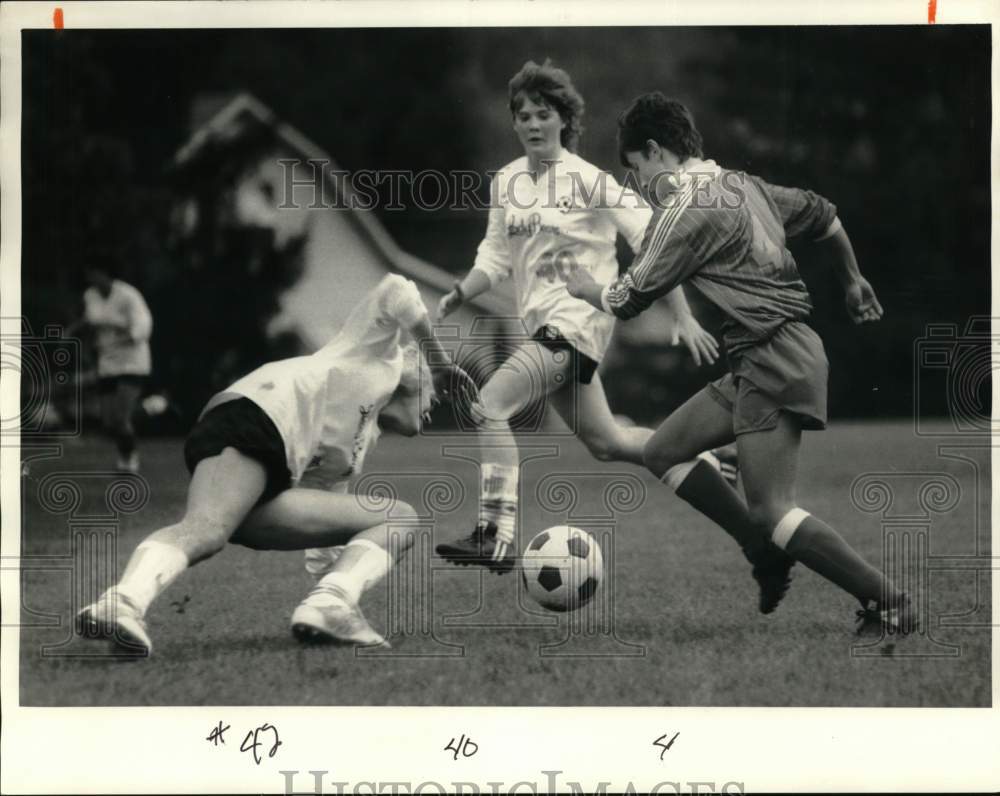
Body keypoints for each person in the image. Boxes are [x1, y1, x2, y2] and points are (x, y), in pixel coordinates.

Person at [435, 60, 793, 614]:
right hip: (544, 330)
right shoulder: (506, 181)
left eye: (544, 113)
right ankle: (724, 473)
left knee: (490, 404)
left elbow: (658, 239)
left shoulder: (589, 180)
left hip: (574, 328)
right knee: (609, 444)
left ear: (565, 119)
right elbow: (496, 257)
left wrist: (681, 313)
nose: (533, 123)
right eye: (523, 115)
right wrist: (462, 290)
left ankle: (496, 532)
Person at [566, 91, 911, 634]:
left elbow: (626, 299)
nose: (637, 187)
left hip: (773, 356)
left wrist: (587, 289)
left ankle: (890, 603)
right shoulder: (743, 185)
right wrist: (852, 279)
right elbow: (824, 215)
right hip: (765, 356)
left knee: (774, 510)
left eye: (635, 172)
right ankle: (761, 550)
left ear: (655, 151)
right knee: (662, 450)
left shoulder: (682, 209)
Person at [77, 274, 478, 655]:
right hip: (257, 417)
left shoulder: (354, 448)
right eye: (433, 396)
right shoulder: (377, 355)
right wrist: (440, 362)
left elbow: (325, 541)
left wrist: (333, 588)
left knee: (397, 517)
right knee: (205, 528)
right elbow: (397, 290)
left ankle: (332, 607)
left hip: (256, 452)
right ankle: (122, 602)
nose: (435, 406)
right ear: (416, 378)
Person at [71, 264, 153, 473]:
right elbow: (90, 321)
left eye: (95, 272)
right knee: (109, 420)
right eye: (89, 274)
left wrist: (119, 339)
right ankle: (152, 408)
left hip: (132, 362)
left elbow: (143, 326)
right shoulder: (90, 295)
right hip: (107, 363)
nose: (92, 277)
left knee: (121, 417)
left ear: (107, 273)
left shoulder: (128, 295)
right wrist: (71, 331)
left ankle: (129, 457)